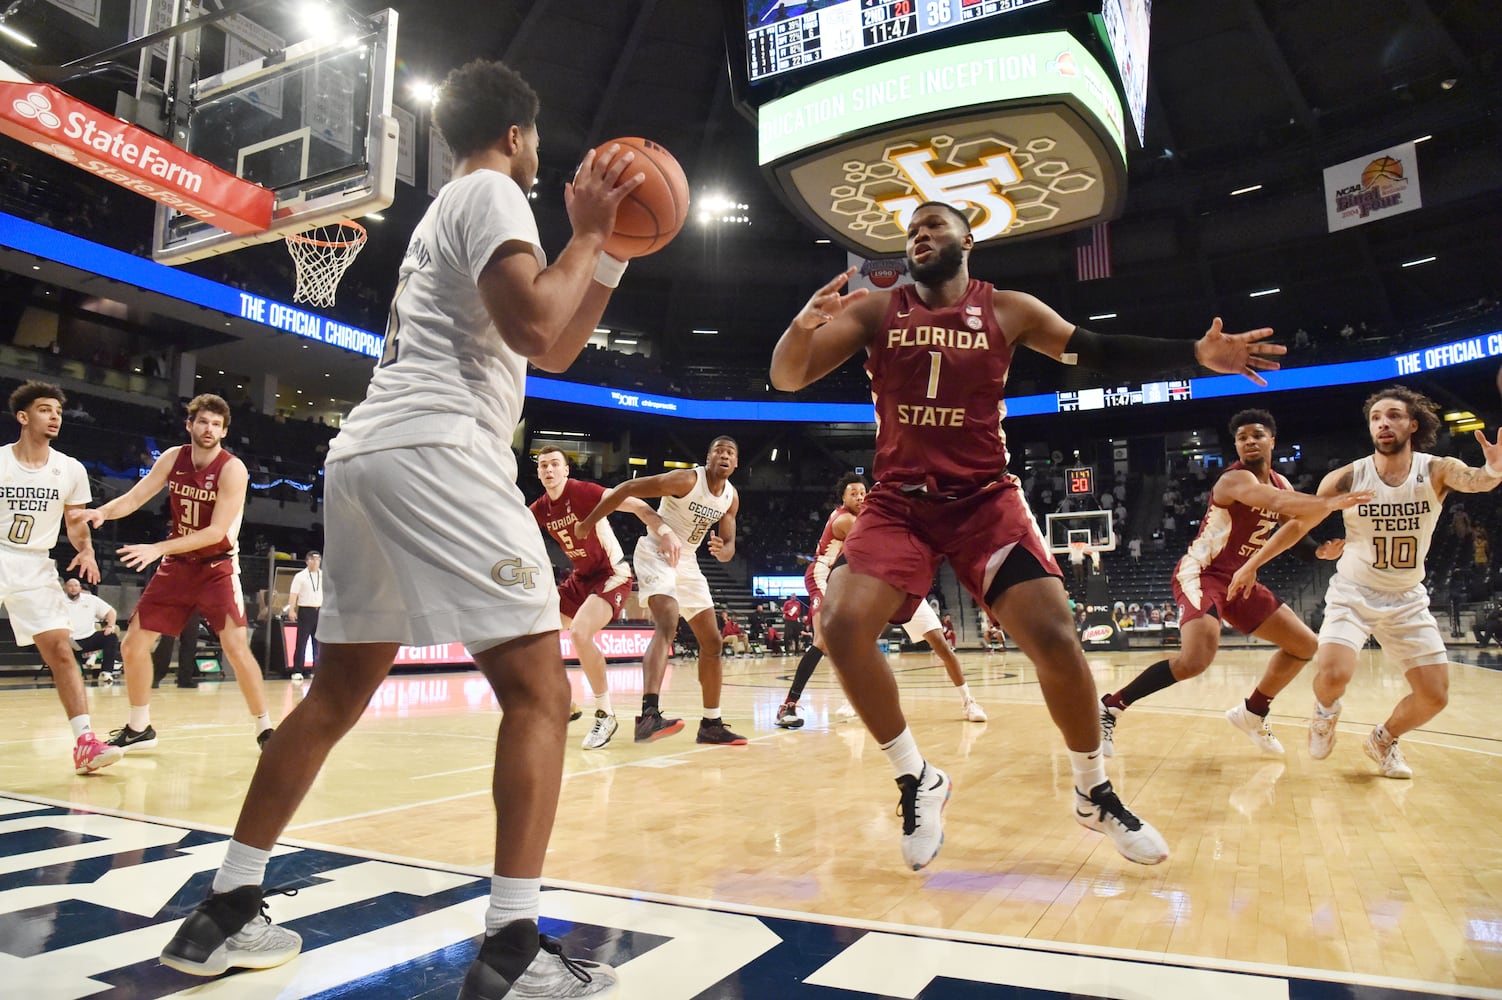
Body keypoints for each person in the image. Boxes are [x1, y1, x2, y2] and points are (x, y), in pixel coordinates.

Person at [155, 58, 640, 995]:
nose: (539, 156)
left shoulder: (448, 213)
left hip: (368, 457)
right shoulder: (497, 193)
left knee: (336, 693)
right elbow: (539, 325)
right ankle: (510, 946)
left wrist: (607, 257)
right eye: (535, 141)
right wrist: (582, 231)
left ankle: (223, 906)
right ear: (514, 137)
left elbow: (552, 343)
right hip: (439, 450)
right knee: (542, 688)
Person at [769, 200, 1283, 870]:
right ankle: (915, 776)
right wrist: (800, 326)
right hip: (900, 505)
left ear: (967, 239)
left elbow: (1095, 350)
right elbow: (787, 376)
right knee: (839, 624)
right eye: (911, 231)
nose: (919, 235)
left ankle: (1092, 790)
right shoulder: (874, 310)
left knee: (1054, 637)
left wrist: (1192, 353)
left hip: (984, 501)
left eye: (933, 225)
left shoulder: (1009, 309)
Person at [1229, 386, 1502, 780]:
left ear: (1412, 423)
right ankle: (1324, 715)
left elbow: (1477, 480)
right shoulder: (1347, 478)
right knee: (1334, 675)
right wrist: (1252, 564)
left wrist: (1494, 469)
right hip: (1353, 594)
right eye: (1376, 418)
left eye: (1392, 415)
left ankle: (1383, 739)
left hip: (1407, 597)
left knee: (1435, 696)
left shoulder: (1436, 469)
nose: (1383, 423)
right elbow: (1297, 526)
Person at [1098, 409, 1370, 757]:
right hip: (1203, 573)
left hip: (1241, 577)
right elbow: (1275, 503)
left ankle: (1253, 712)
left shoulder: (1282, 483)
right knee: (1196, 659)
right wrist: (1330, 502)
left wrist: (1318, 553)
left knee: (1304, 645)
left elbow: (1294, 532)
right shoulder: (1234, 481)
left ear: (1272, 440)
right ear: (1237, 446)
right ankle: (1111, 706)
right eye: (1242, 438)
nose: (1249, 442)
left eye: (1257, 435)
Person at [81, 394, 275, 752]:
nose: (209, 429)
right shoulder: (173, 458)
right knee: (133, 645)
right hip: (177, 567)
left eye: (216, 425)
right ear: (189, 424)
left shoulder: (233, 469)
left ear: (224, 431)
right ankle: (139, 728)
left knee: (235, 647)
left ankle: (266, 730)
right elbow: (136, 497)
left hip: (216, 567)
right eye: (203, 422)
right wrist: (103, 513)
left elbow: (216, 532)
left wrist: (157, 548)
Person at [573, 436, 747, 746]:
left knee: (712, 641)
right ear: (708, 459)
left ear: (735, 463)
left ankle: (711, 723)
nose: (723, 454)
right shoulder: (686, 480)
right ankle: (648, 715)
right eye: (717, 450)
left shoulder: (730, 498)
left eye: (730, 452)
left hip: (688, 561)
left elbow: (729, 546)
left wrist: (724, 551)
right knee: (667, 622)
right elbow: (626, 489)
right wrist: (588, 523)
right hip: (656, 551)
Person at [776, 474, 985, 727]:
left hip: (896, 583)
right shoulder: (845, 520)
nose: (859, 496)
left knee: (940, 644)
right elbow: (875, 541)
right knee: (825, 641)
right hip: (825, 576)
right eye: (853, 492)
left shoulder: (879, 517)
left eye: (862, 491)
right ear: (843, 497)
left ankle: (968, 700)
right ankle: (790, 704)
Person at [2, 382, 119, 773]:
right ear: (23, 417)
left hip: (36, 563)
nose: (55, 417)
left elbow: (75, 522)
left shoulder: (70, 469)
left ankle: (85, 742)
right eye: (45, 410)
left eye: (58, 411)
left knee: (60, 650)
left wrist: (85, 548)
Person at [530, 445, 677, 750]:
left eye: (555, 464)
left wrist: (664, 530)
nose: (549, 470)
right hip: (580, 579)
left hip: (612, 574)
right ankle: (564, 701)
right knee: (536, 635)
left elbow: (636, 505)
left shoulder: (582, 492)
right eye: (543, 465)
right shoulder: (540, 509)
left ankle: (605, 714)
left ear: (566, 470)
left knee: (580, 633)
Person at [63, 577, 118, 680]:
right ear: (65, 588)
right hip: (70, 640)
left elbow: (111, 612)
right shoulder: (60, 601)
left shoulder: (91, 599)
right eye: (70, 586)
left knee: (111, 637)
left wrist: (110, 626)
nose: (73, 588)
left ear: (80, 588)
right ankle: (88, 661)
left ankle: (106, 672)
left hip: (89, 637)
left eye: (76, 585)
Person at [284, 551, 323, 679]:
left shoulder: (323, 575)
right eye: (313, 559)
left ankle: (316, 670)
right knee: (302, 642)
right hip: (306, 611)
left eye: (318, 559)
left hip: (319, 611)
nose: (316, 562)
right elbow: (293, 594)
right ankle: (297, 670)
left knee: (317, 643)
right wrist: (291, 610)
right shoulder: (300, 576)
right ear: (307, 561)